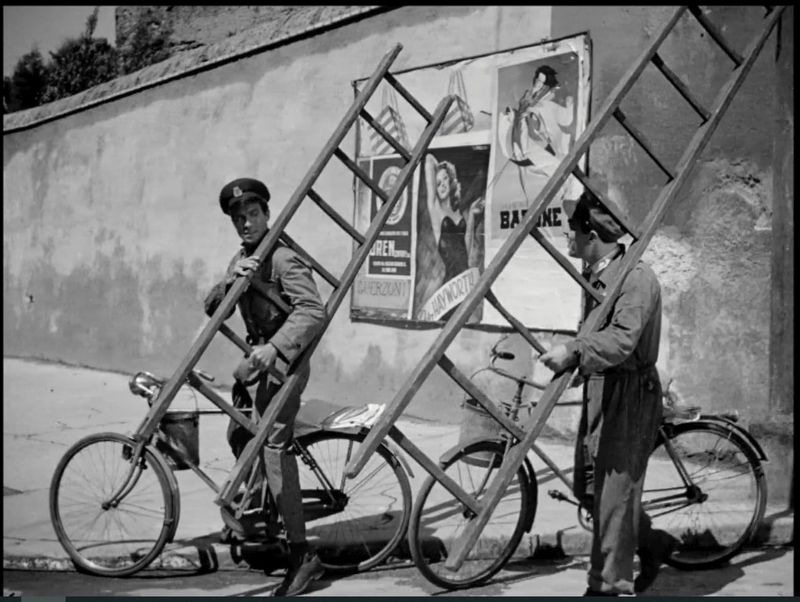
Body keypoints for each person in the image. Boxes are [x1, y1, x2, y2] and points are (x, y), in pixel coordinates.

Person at [539, 188, 677, 596]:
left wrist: (575, 351)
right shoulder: (597, 273)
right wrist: (576, 362)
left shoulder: (635, 278)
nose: (568, 237)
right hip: (602, 387)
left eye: (572, 229)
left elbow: (621, 340)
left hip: (630, 393)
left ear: (591, 233)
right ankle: (655, 543)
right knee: (588, 487)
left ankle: (609, 587)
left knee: (614, 496)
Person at [204, 177, 326, 597]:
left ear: (266, 214)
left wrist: (275, 348)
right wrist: (227, 282)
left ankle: (302, 554)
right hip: (260, 362)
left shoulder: (283, 257)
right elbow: (211, 306)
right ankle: (262, 518)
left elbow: (313, 311)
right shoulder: (243, 259)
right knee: (240, 432)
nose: (245, 224)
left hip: (288, 362)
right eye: (238, 219)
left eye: (252, 215)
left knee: (272, 447)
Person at [424, 153, 484, 284]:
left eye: (445, 179)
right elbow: (428, 159)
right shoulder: (435, 209)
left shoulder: (457, 213)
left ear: (451, 180)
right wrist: (443, 166)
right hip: (450, 285)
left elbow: (465, 253)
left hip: (464, 281)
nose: (443, 185)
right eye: (438, 183)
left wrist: (472, 216)